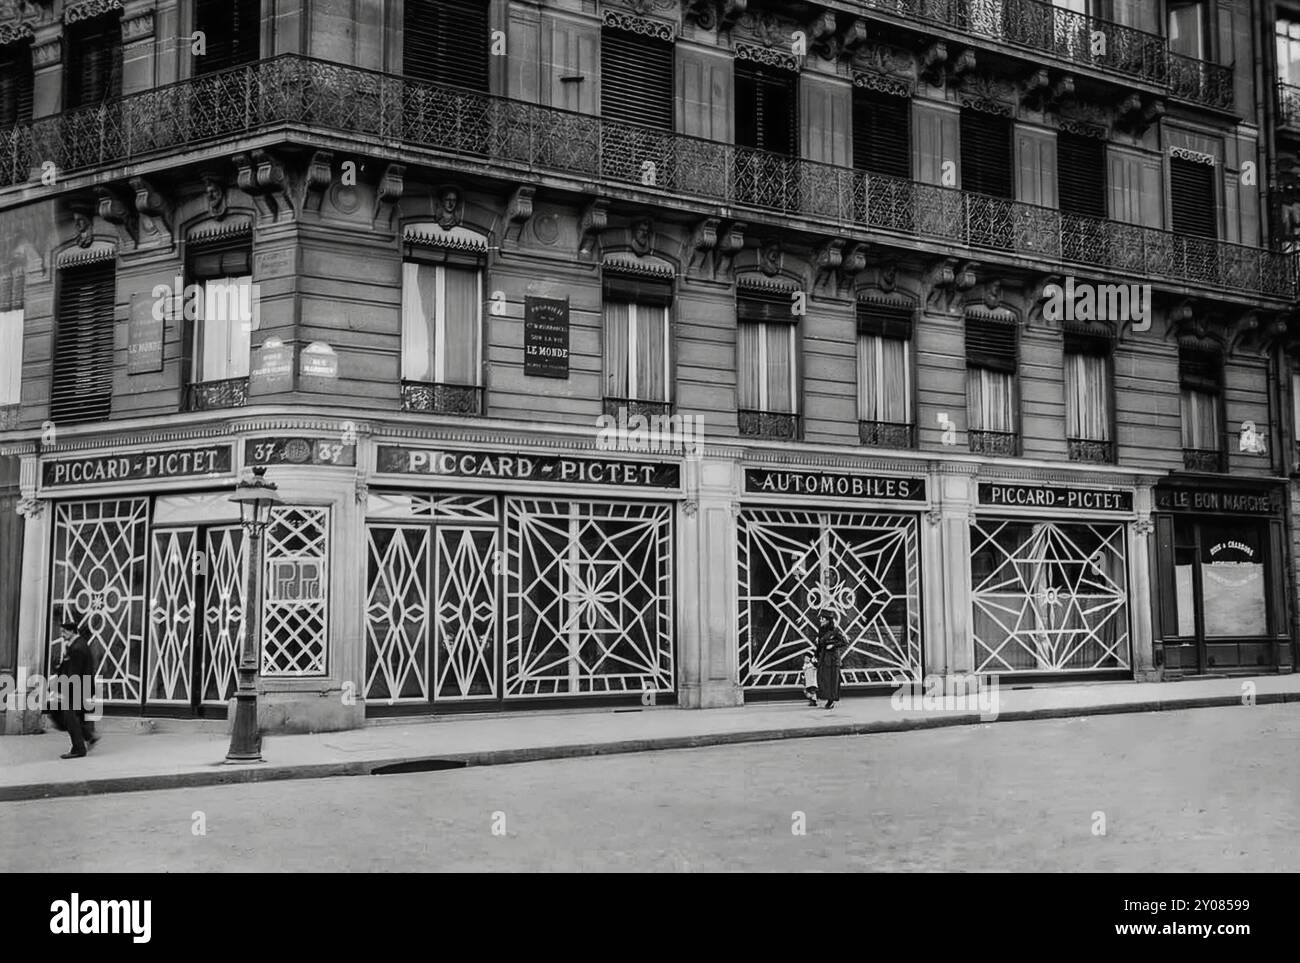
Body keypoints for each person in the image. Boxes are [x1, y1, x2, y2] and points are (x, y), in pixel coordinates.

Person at [46, 611, 100, 759]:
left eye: (64, 632)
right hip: (80, 688)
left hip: (76, 689)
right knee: (73, 717)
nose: (62, 634)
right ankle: (88, 737)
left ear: (72, 631)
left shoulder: (77, 648)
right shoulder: (76, 645)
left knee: (69, 716)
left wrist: (60, 689)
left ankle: (78, 748)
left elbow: (73, 674)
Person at [814, 609, 847, 710]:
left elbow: (844, 642)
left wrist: (833, 645)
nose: (820, 620)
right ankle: (825, 697)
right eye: (820, 618)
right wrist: (815, 655)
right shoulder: (821, 630)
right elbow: (819, 645)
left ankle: (831, 700)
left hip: (832, 659)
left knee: (832, 680)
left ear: (828, 620)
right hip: (823, 658)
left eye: (822, 618)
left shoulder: (835, 630)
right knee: (823, 679)